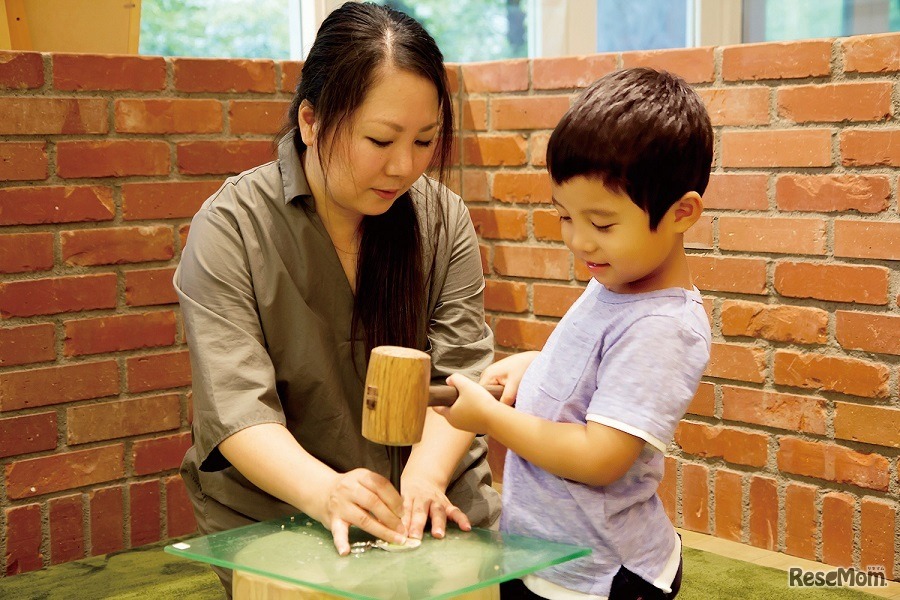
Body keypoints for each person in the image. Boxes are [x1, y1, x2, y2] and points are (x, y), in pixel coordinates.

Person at [174, 2, 500, 595]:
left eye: (425, 141)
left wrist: (424, 479)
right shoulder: (231, 227)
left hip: (428, 494)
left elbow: (464, 377)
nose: (404, 167)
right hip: (285, 504)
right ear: (310, 121)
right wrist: (327, 491)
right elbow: (237, 411)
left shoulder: (442, 217)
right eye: (379, 139)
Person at [436, 67, 714, 600]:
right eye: (565, 217)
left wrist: (493, 419)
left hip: (601, 577)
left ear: (683, 212)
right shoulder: (616, 277)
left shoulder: (662, 328)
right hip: (544, 555)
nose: (579, 241)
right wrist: (534, 365)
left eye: (602, 223)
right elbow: (595, 367)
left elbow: (599, 458)